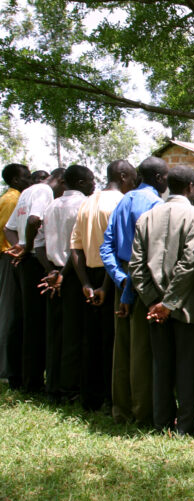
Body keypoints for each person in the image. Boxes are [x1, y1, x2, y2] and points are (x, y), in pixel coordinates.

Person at [129, 165, 194, 435]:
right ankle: (185, 425)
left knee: (161, 365)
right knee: (187, 367)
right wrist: (169, 303)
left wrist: (153, 301)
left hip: (153, 307)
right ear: (191, 187)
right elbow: (190, 263)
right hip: (186, 306)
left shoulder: (147, 218)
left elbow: (136, 266)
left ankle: (162, 422)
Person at [100, 156, 168, 424]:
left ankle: (122, 410)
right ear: (160, 178)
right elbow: (143, 254)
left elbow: (105, 247)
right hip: (144, 281)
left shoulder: (123, 201)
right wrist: (131, 288)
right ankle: (143, 412)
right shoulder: (154, 205)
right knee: (142, 349)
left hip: (124, 279)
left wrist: (120, 280)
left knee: (123, 349)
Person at [70, 160, 137, 410]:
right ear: (122, 176)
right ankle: (112, 397)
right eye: (131, 178)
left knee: (91, 340)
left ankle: (90, 397)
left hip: (88, 275)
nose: (133, 184)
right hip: (112, 277)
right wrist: (105, 288)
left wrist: (85, 283)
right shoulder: (121, 203)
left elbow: (75, 247)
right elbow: (116, 250)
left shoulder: (87, 202)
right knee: (113, 341)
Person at [36, 165, 94, 402]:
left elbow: (39, 243)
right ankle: (70, 389)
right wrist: (62, 275)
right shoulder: (83, 205)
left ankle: (53, 386)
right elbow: (76, 247)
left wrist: (50, 271)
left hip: (52, 271)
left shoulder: (51, 205)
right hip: (72, 273)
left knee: (55, 332)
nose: (94, 185)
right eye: (91, 180)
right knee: (74, 333)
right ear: (80, 182)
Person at [4, 168, 66, 393]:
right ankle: (33, 382)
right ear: (61, 181)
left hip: (23, 261)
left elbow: (8, 228)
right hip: (33, 260)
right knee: (36, 324)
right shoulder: (43, 192)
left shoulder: (27, 192)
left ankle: (16, 376)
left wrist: (17, 246)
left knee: (21, 320)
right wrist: (27, 246)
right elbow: (33, 220)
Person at [0, 163, 31, 388]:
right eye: (25, 176)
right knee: (10, 313)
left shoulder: (12, 197)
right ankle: (6, 368)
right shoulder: (13, 200)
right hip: (9, 257)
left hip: (9, 256)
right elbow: (7, 229)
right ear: (15, 180)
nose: (28, 179)